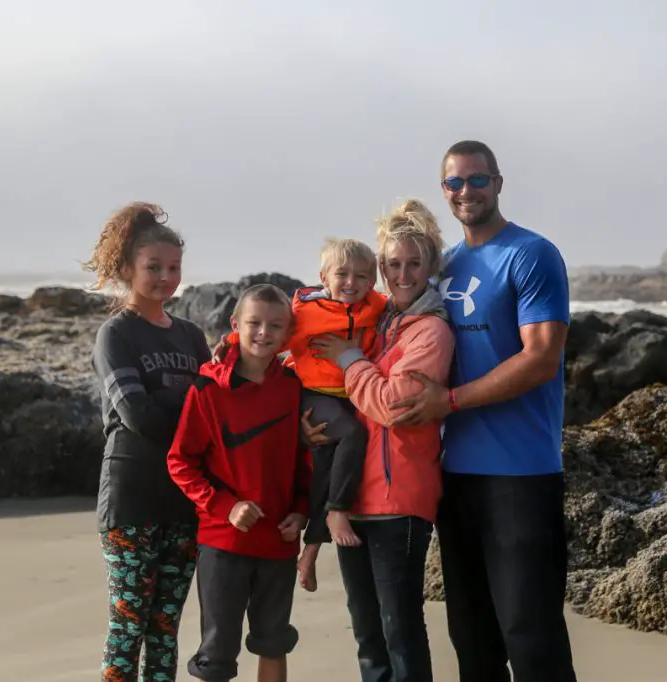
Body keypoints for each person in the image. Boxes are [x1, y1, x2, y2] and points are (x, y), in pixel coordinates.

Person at [387, 141, 577, 681]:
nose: (465, 191)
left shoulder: (532, 254)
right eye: (454, 183)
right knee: (472, 639)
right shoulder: (443, 265)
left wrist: (448, 402)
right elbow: (379, 324)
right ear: (443, 191)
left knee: (531, 633)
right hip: (455, 477)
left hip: (522, 474)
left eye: (476, 180)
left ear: (497, 182)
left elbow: (540, 358)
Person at [309, 198, 455, 682]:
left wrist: (352, 360)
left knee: (399, 630)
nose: (404, 273)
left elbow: (394, 405)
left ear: (431, 265)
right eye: (393, 264)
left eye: (414, 263)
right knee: (367, 633)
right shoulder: (380, 326)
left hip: (400, 502)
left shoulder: (431, 331)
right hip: (353, 501)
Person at [215, 239, 387, 592]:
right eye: (341, 275)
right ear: (324, 276)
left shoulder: (376, 307)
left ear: (373, 281)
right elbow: (269, 330)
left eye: (361, 276)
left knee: (323, 469)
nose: (351, 283)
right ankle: (337, 511)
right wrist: (230, 343)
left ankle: (308, 553)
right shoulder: (308, 314)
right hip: (314, 394)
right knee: (353, 436)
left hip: (348, 396)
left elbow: (405, 305)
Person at [85, 202, 210, 682]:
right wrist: (194, 416)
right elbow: (138, 416)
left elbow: (216, 410)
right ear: (127, 269)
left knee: (165, 628)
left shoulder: (191, 336)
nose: (165, 277)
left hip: (184, 501)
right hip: (131, 501)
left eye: (173, 268)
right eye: (153, 267)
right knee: (128, 626)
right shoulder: (115, 333)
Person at [167, 283, 312, 682]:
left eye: (275, 326)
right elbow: (180, 461)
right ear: (235, 325)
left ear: (288, 334)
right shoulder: (208, 388)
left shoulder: (294, 387)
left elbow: (304, 463)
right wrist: (226, 506)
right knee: (216, 654)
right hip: (223, 543)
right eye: (254, 323)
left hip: (279, 543)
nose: (264, 333)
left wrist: (301, 512)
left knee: (274, 642)